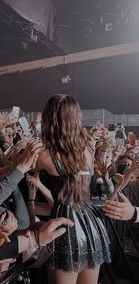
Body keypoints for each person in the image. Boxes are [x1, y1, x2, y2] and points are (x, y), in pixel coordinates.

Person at [36, 94, 111, 284]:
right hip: (91, 224)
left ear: (50, 119)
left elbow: (22, 176)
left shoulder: (43, 156)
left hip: (65, 227)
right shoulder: (87, 151)